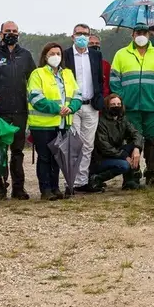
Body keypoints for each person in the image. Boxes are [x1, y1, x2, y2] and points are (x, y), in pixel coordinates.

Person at [109, 23, 154, 185]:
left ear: (149, 35)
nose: (141, 35)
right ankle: (132, 174)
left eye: (144, 32)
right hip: (129, 108)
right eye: (138, 32)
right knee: (131, 141)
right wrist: (122, 100)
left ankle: (151, 173)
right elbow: (114, 81)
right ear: (132, 35)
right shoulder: (121, 54)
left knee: (151, 139)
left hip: (152, 106)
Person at [0, 21, 36, 200]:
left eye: (14, 31)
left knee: (18, 151)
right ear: (0, 33)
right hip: (0, 111)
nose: (11, 34)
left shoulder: (26, 55)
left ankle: (18, 187)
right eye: (8, 31)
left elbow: (33, 79)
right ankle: (1, 187)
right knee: (0, 150)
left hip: (20, 110)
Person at [28, 41, 82, 200]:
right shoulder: (37, 74)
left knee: (58, 158)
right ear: (45, 56)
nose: (55, 57)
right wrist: (56, 108)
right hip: (43, 125)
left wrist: (71, 107)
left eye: (58, 54)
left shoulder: (68, 74)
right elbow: (36, 98)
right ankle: (45, 190)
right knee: (44, 157)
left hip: (63, 123)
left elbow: (78, 95)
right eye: (52, 54)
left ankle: (55, 187)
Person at [63, 24, 105, 192]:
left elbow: (99, 81)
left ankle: (82, 180)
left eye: (85, 34)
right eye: (79, 33)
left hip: (91, 105)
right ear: (73, 36)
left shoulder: (96, 55)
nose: (82, 37)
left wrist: (99, 98)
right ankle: (70, 181)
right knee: (74, 144)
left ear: (89, 37)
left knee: (88, 145)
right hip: (72, 106)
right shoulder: (65, 55)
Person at [87, 93, 143, 191]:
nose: (116, 107)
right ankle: (96, 178)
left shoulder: (123, 119)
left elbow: (136, 134)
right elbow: (104, 147)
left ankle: (130, 181)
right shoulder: (100, 122)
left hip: (116, 153)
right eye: (113, 105)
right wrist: (124, 156)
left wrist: (137, 148)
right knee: (124, 165)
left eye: (118, 104)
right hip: (101, 158)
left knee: (134, 145)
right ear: (107, 106)